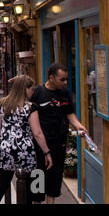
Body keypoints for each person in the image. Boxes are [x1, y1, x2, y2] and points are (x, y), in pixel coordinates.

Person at [0, 75, 52, 204]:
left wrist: (3, 141)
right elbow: (37, 133)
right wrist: (47, 152)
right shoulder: (30, 107)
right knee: (28, 187)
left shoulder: (3, 104)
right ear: (25, 89)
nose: (33, 92)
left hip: (6, 148)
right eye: (31, 89)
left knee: (1, 185)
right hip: (25, 150)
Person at [29, 63, 86, 204]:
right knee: (37, 186)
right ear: (51, 77)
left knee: (53, 186)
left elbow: (70, 114)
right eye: (62, 79)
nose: (65, 82)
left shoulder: (64, 93)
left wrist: (79, 126)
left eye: (66, 79)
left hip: (58, 146)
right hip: (39, 148)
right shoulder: (37, 92)